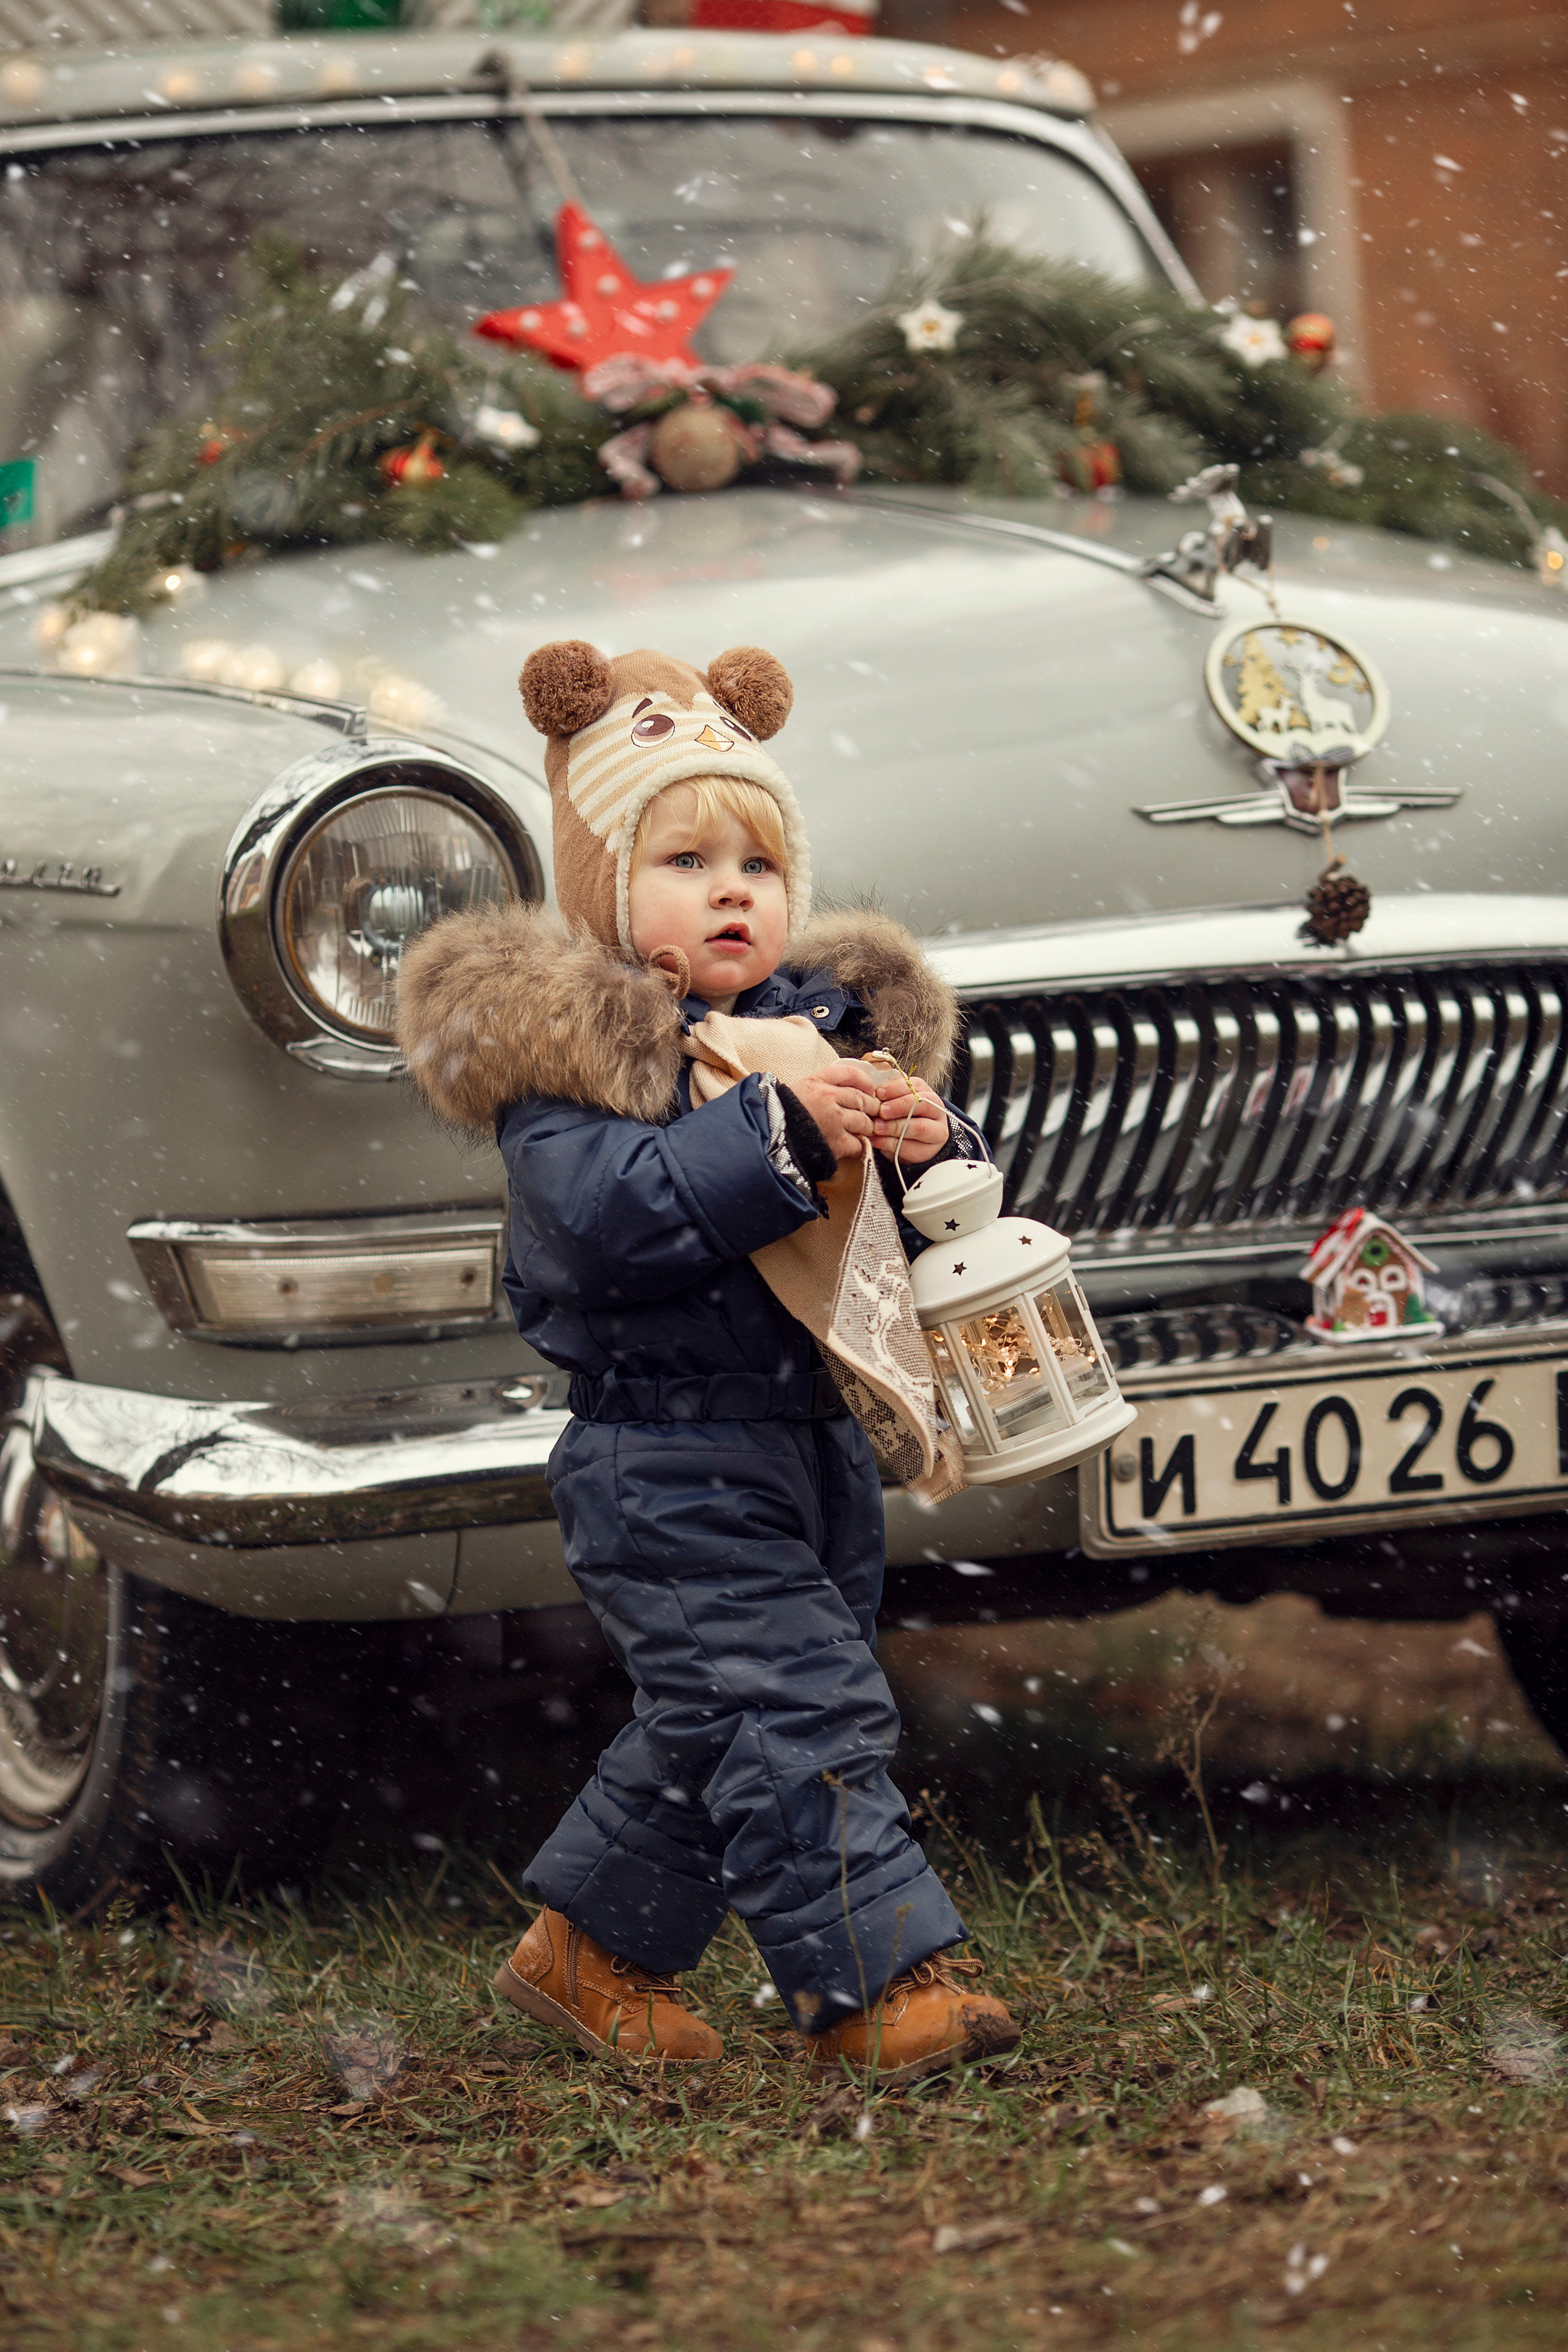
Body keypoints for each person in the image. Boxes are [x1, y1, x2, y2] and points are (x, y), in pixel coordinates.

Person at [397, 638, 1019, 2084]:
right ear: (609, 892)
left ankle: (585, 1957)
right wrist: (783, 1137)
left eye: (756, 860)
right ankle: (878, 1983)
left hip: (805, 1443)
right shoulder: (570, 1071)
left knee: (717, 1715)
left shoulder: (810, 1042)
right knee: (795, 1709)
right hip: (663, 1457)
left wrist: (937, 1154)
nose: (730, 886)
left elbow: (890, 1242)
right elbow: (609, 1223)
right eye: (682, 858)